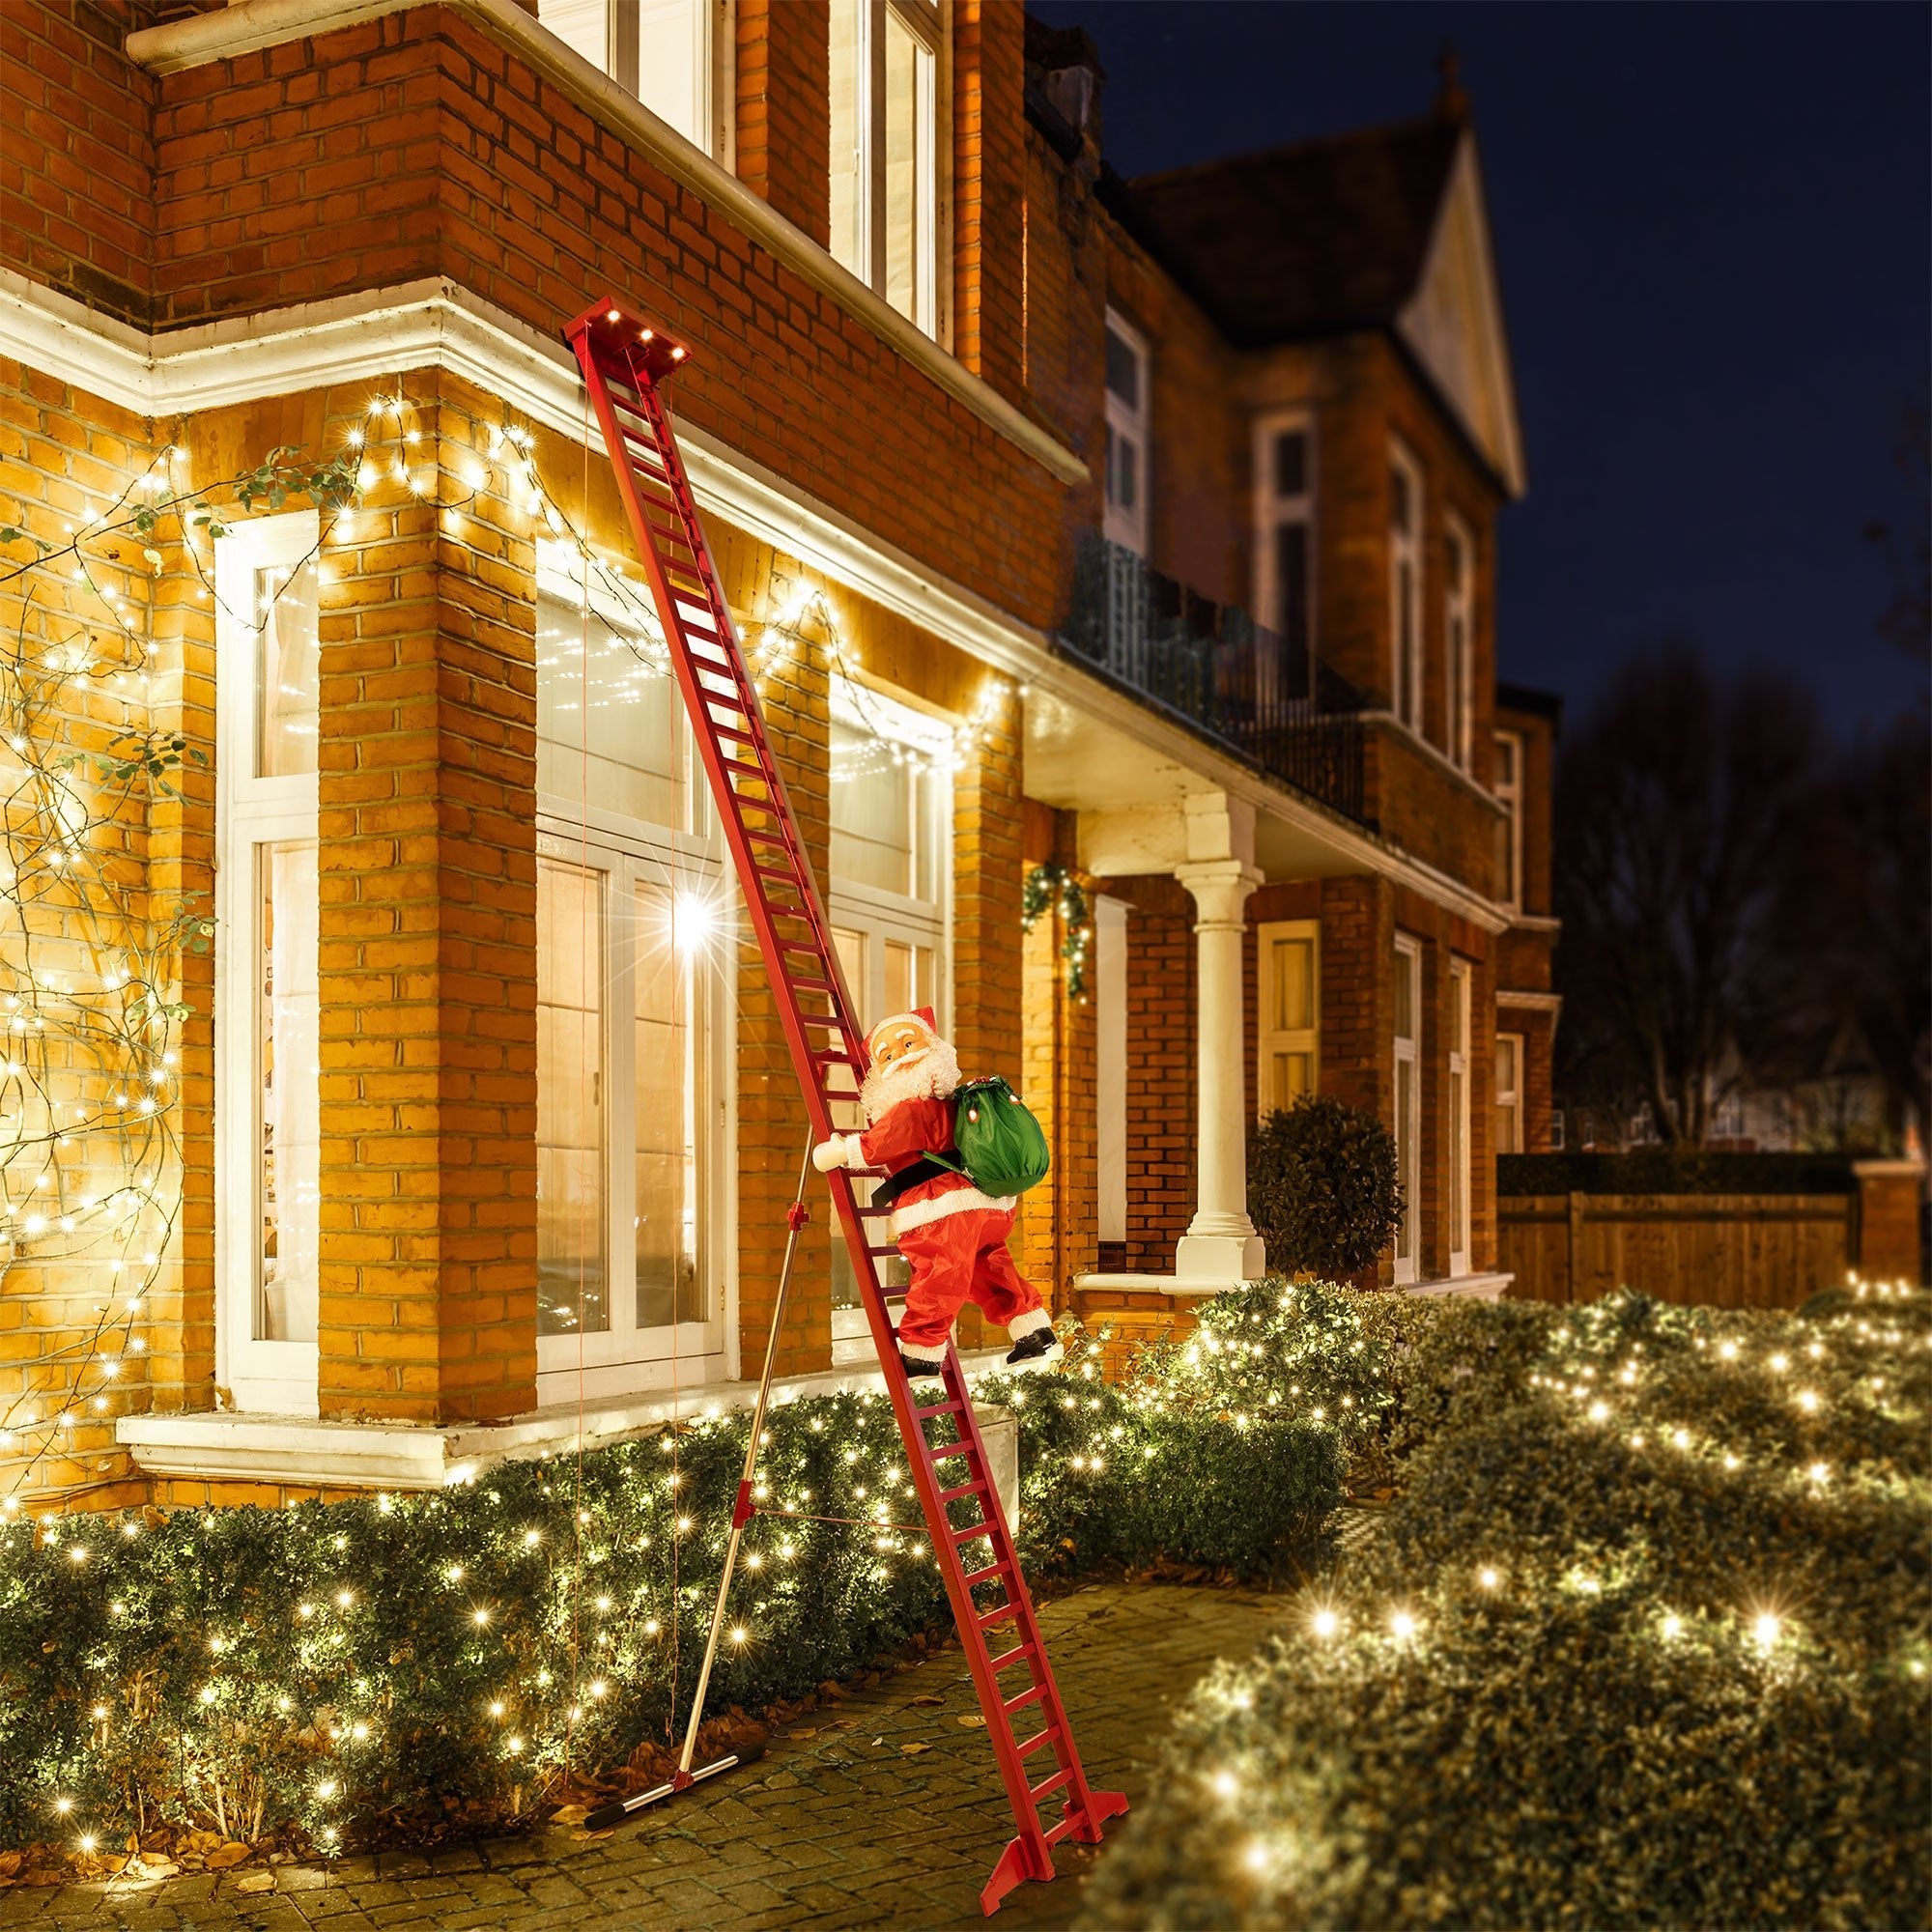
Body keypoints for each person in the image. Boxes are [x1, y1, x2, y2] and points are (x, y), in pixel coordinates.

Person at [812, 1009, 1063, 1379]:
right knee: (990, 1267)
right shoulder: (955, 1102)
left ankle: (922, 1351)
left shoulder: (909, 1109)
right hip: (987, 1206)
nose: (899, 1055)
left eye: (907, 1044)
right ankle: (1032, 1329)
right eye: (887, 1054)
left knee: (938, 1274)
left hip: (942, 1210)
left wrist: (836, 1152)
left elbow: (874, 1147)